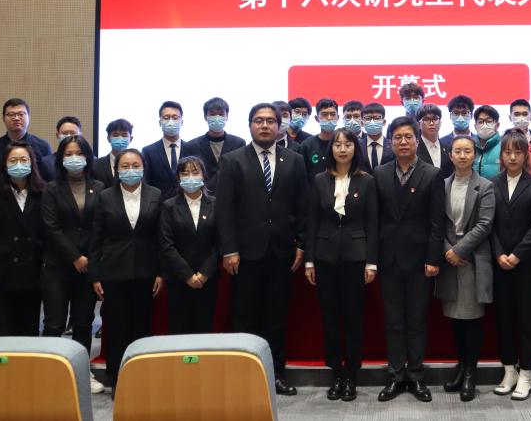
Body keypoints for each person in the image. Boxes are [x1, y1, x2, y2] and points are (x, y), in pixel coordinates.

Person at [216, 103, 309, 395]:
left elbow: (303, 206)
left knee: (276, 317)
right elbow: (224, 209)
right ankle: (245, 376)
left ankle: (275, 373)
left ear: (279, 126)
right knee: (245, 315)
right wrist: (229, 249)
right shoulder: (233, 160)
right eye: (259, 121)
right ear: (250, 125)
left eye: (270, 121)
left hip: (282, 252)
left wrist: (302, 244)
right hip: (245, 254)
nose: (265, 125)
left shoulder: (294, 160)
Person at [374, 116, 446, 403]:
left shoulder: (432, 174)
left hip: (420, 261)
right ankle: (395, 376)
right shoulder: (379, 173)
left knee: (416, 320)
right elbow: (374, 220)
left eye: (408, 137)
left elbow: (437, 222)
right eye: (397, 137)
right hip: (388, 258)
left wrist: (433, 258)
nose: (403, 142)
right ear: (391, 142)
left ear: (417, 140)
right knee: (393, 321)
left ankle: (415, 376)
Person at [304, 128, 378, 402]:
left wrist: (372, 262)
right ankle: (336, 373)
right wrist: (309, 260)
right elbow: (312, 222)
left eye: (348, 144)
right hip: (325, 258)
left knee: (354, 318)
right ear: (331, 149)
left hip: (356, 258)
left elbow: (372, 223)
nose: (343, 149)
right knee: (330, 318)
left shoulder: (366, 181)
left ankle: (352, 376)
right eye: (338, 145)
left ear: (355, 148)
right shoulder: (319, 180)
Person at [89, 148, 163, 389]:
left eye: (135, 165)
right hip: (113, 271)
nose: (131, 170)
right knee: (116, 326)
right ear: (117, 170)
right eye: (125, 166)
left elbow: (161, 237)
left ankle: (140, 376)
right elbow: (96, 238)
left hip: (146, 271)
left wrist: (160, 272)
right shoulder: (105, 196)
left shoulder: (155, 194)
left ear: (143, 168)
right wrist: (95, 275)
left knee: (142, 325)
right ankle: (117, 377)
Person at [42, 135, 105, 393]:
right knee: (54, 322)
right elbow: (51, 228)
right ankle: (49, 372)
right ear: (60, 158)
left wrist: (88, 258)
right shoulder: (50, 189)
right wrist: (74, 256)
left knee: (83, 321)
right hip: (58, 266)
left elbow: (101, 227)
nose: (74, 158)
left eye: (79, 153)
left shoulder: (99, 187)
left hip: (88, 266)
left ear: (88, 157)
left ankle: (81, 372)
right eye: (68, 154)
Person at [436, 135, 495, 402]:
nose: (462, 156)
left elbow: (485, 224)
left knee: (472, 319)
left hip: (472, 259)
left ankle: (471, 371)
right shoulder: (442, 185)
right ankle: (461, 366)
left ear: (474, 155)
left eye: (467, 151)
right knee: (456, 319)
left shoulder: (485, 186)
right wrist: (448, 250)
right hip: (448, 258)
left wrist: (459, 250)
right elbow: (436, 222)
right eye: (457, 151)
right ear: (450, 155)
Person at [489, 131, 531, 401]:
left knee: (526, 320)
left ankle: (526, 374)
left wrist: (518, 255)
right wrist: (500, 253)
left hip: (527, 265)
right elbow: (488, 224)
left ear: (525, 155)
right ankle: (509, 369)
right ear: (501, 155)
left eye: (517, 152)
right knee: (504, 320)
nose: (512, 157)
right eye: (507, 152)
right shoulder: (492, 184)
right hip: (499, 264)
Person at [0, 141, 45, 336]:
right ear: (5, 165)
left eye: (24, 160)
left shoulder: (43, 192)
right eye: (13, 160)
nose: (19, 164)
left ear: (32, 163)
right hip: (2, 271)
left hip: (32, 270)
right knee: (1, 329)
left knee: (29, 330)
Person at [160, 155, 219, 335]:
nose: (191, 177)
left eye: (195, 172)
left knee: (204, 328)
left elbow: (220, 242)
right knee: (180, 330)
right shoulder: (168, 206)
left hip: (207, 278)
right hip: (178, 279)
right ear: (178, 178)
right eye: (185, 173)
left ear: (203, 175)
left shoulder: (216, 204)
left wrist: (204, 273)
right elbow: (166, 244)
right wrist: (187, 275)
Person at [0, 98, 54, 181]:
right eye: (11, 114)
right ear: (3, 118)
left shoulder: (43, 146)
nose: (16, 118)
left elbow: (49, 179)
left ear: (28, 117)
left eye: (21, 114)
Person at [142, 101, 199, 198]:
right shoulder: (148, 151)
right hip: (158, 204)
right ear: (160, 122)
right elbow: (146, 183)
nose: (171, 121)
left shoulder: (192, 149)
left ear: (181, 122)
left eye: (175, 117)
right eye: (166, 117)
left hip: (187, 202)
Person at [186, 97, 246, 189]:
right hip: (203, 194)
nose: (217, 118)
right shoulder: (192, 146)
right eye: (212, 114)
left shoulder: (239, 143)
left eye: (221, 114)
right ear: (205, 117)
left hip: (232, 193)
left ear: (227, 116)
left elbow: (241, 173)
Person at [301, 98, 340, 180]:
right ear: (316, 118)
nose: (329, 118)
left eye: (333, 114)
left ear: (338, 118)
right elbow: (303, 176)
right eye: (324, 114)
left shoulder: (344, 144)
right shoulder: (306, 145)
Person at [92, 118, 133, 189]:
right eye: (115, 135)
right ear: (108, 138)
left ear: (131, 139)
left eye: (124, 135)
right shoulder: (96, 165)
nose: (120, 138)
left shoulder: (137, 165)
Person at [416, 103, 453, 179]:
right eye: (426, 119)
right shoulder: (414, 148)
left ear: (440, 122)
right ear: (418, 124)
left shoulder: (449, 147)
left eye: (435, 119)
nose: (431, 123)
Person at [360, 102, 394, 174]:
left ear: (384, 122)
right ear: (362, 123)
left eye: (377, 118)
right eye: (368, 118)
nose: (372, 122)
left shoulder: (393, 145)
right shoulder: (356, 146)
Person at [472, 105, 502, 179]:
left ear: (497, 125)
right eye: (480, 122)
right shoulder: (470, 146)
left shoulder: (504, 146)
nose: (484, 125)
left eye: (489, 121)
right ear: (475, 126)